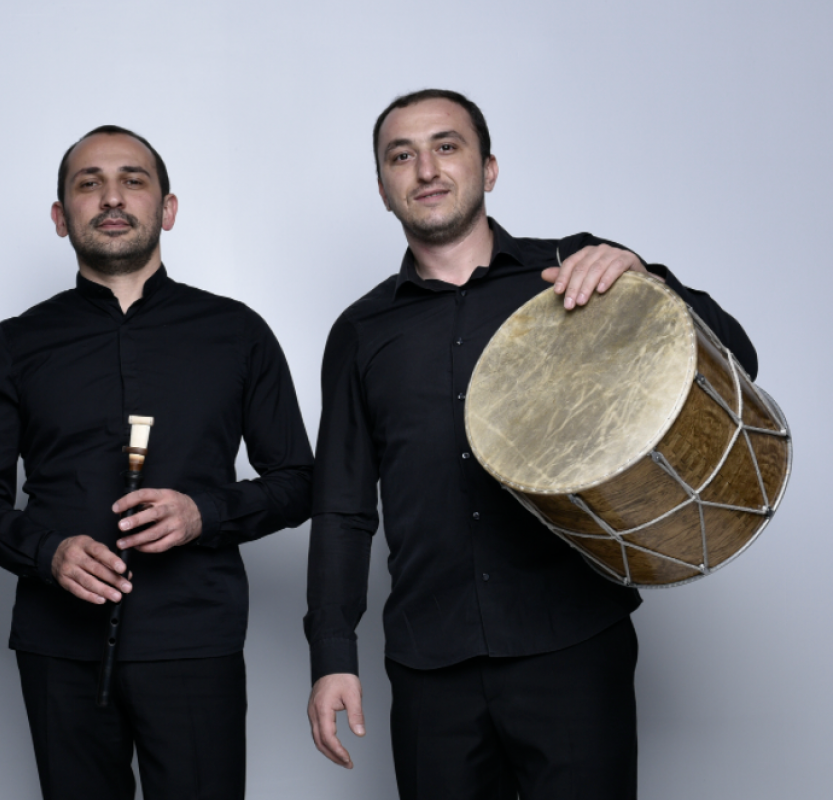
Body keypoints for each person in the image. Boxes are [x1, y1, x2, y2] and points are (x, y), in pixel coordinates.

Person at [303, 89, 759, 799]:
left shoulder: (580, 273)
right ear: (384, 187)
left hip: (573, 645)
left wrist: (647, 278)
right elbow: (341, 507)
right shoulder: (360, 332)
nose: (426, 168)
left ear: (488, 168)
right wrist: (331, 656)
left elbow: (738, 360)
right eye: (402, 155)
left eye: (446, 146)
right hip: (430, 662)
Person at [0, 125, 313, 800]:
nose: (112, 197)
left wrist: (203, 513)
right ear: (62, 218)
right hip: (58, 644)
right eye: (88, 184)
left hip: (194, 638)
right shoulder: (16, 342)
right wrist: (46, 552)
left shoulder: (237, 332)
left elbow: (300, 483)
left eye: (133, 180)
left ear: (168, 209)